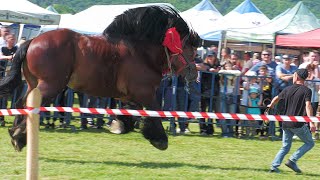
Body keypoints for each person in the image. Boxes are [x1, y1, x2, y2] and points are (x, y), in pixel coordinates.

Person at [268, 68, 316, 173]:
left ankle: (274, 166)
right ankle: (292, 160)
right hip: (297, 124)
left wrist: (270, 106)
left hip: (285, 123)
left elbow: (276, 98)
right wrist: (311, 122)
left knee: (285, 147)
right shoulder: (307, 90)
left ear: (296, 76)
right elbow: (308, 105)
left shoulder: (287, 89)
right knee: (310, 143)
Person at [197, 52, 220, 135]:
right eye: (209, 56)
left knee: (211, 112)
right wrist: (208, 69)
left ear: (215, 57)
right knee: (202, 111)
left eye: (212, 56)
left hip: (214, 91)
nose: (210, 57)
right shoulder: (204, 64)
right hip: (204, 91)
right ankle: (203, 129)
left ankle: (210, 129)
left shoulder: (217, 66)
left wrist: (217, 70)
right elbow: (198, 67)